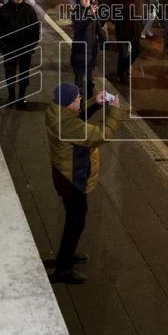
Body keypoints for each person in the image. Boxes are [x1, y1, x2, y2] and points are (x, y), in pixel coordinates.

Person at [45, 83, 122, 284]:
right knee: (76, 222)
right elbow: (100, 135)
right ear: (70, 103)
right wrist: (115, 109)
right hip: (72, 178)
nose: (81, 99)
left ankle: (66, 256)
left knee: (74, 219)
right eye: (79, 97)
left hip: (65, 173)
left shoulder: (57, 111)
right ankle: (63, 269)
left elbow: (76, 118)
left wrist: (95, 104)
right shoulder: (67, 126)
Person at [0, 0, 40, 109]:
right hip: (9, 48)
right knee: (10, 72)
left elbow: (35, 29)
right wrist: (3, 45)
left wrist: (31, 45)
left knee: (24, 73)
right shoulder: (4, 10)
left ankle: (21, 97)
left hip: (24, 49)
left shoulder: (28, 10)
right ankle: (11, 96)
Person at [113, 0, 143, 83]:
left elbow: (140, 13)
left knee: (136, 51)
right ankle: (120, 74)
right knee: (123, 53)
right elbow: (114, 17)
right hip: (123, 31)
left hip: (135, 31)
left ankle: (124, 67)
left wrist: (140, 26)